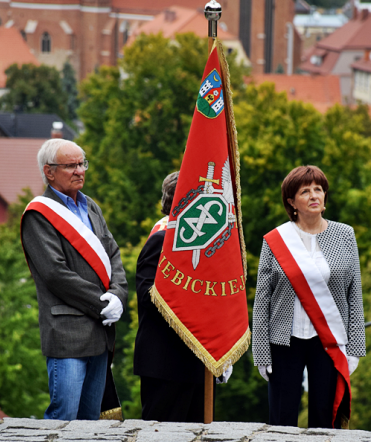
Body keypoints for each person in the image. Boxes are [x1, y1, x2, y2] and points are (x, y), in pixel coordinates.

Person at [21, 138, 127, 421]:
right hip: (67, 332)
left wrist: (118, 294)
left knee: (91, 421)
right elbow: (55, 273)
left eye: (82, 163)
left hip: (101, 333)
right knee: (63, 417)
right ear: (49, 171)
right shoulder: (39, 215)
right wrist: (101, 302)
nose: (80, 170)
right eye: (71, 165)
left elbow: (112, 253)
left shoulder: (91, 207)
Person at [252, 165, 365, 428]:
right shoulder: (275, 240)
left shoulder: (345, 235)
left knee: (325, 417)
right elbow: (261, 304)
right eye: (305, 191)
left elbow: (354, 294)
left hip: (328, 340)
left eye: (319, 189)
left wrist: (356, 348)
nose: (314, 195)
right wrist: (261, 353)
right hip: (283, 340)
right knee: (282, 420)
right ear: (292, 202)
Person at [134, 172, 231, 422]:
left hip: (198, 361)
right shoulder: (161, 240)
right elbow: (146, 296)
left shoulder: (206, 246)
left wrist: (222, 349)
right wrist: (190, 298)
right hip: (165, 362)